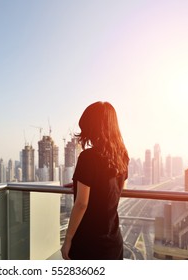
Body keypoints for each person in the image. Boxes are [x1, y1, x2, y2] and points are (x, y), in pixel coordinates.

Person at [61, 101, 129, 260]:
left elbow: (81, 204)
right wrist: (82, 183)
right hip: (113, 243)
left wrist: (68, 239)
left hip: (89, 244)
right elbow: (117, 189)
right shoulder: (122, 155)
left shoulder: (88, 157)